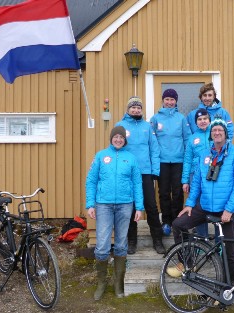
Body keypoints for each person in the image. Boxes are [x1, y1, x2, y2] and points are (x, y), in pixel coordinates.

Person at [168, 117, 234, 283]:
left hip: (225, 209)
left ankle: (228, 286)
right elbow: (197, 181)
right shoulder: (205, 155)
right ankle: (187, 263)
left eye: (220, 130)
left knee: (228, 248)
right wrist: (190, 204)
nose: (217, 132)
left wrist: (230, 209)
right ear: (210, 135)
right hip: (204, 206)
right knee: (178, 225)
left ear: (226, 134)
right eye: (214, 131)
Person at [85, 126, 144, 300]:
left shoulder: (131, 158)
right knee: (102, 245)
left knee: (120, 244)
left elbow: (137, 184)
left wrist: (139, 207)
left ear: (125, 140)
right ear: (111, 138)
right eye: (115, 137)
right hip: (103, 205)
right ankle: (102, 283)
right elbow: (91, 180)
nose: (118, 140)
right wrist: (90, 204)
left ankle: (118, 283)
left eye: (121, 137)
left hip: (125, 205)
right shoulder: (101, 156)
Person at [116, 96, 166, 254]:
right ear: (128, 109)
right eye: (133, 107)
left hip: (145, 173)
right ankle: (131, 241)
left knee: (151, 206)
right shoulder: (120, 126)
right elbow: (115, 148)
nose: (136, 110)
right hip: (127, 173)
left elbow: (154, 149)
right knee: (129, 207)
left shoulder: (147, 126)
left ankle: (157, 240)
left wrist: (155, 171)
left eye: (139, 107)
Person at [150, 89, 191, 236]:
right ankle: (166, 221)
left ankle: (177, 221)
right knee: (164, 192)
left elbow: (187, 139)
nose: (169, 102)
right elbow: (152, 141)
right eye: (167, 99)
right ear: (163, 100)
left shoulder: (181, 118)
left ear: (176, 101)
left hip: (178, 161)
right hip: (162, 161)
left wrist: (187, 157)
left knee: (178, 192)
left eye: (172, 99)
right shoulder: (155, 119)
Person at [181, 108, 211, 237]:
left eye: (205, 118)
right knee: (198, 206)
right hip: (196, 175)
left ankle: (218, 240)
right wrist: (185, 180)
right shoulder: (192, 139)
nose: (202, 121)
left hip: (213, 173)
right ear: (196, 122)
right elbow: (187, 160)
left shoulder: (215, 133)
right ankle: (202, 237)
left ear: (209, 120)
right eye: (199, 119)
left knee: (214, 203)